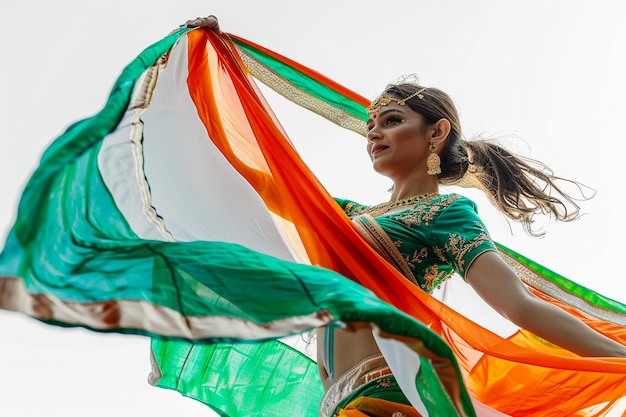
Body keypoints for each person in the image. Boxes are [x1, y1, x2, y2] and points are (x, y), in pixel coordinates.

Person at [184, 16, 626, 417]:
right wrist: (202, 66)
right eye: (371, 124)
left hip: (390, 399)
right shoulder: (347, 216)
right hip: (337, 406)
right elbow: (253, 178)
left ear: (436, 132)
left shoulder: (447, 212)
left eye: (392, 119)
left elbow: (519, 304)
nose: (374, 131)